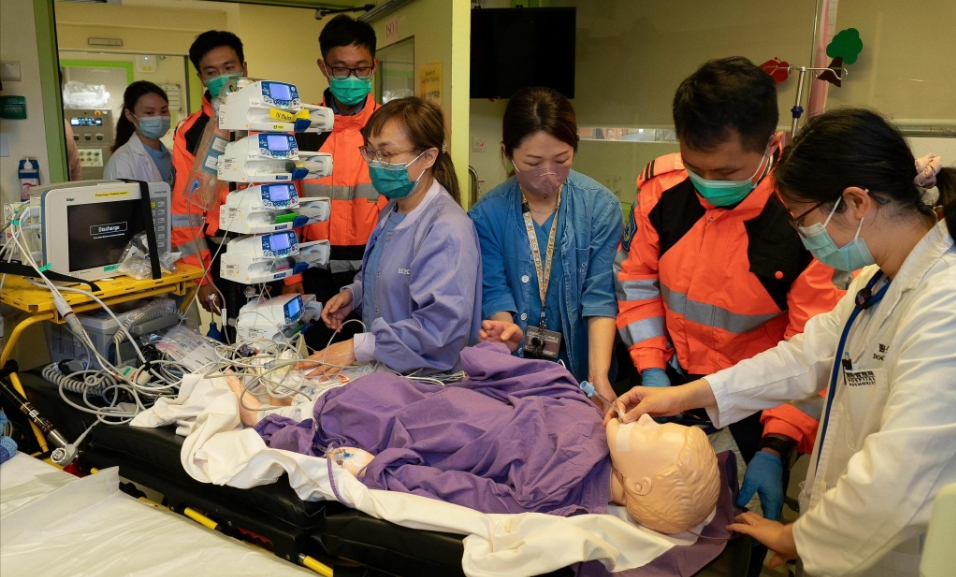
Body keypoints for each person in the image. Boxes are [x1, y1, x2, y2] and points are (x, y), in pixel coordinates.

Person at [610, 108, 956, 577]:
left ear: (855, 202)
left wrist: (798, 538)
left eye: (800, 219)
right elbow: (804, 357)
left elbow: (900, 473)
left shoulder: (944, 305)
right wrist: (682, 396)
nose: (800, 234)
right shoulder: (875, 282)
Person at [615, 57, 845, 526]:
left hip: (757, 410)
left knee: (734, 530)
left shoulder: (806, 220)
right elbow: (636, 283)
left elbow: (813, 351)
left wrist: (776, 445)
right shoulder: (663, 190)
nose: (708, 184)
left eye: (725, 172)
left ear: (771, 146)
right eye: (695, 167)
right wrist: (652, 369)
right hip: (667, 385)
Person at [232, 342, 721, 536]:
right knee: (370, 393)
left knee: (342, 421)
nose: (648, 419)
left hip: (417, 432)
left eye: (658, 433)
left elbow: (459, 493)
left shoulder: (554, 496)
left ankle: (263, 418)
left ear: (638, 486)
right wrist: (500, 350)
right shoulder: (593, 418)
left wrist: (375, 470)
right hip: (430, 397)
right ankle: (290, 402)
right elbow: (515, 374)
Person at [299, 97, 481, 376]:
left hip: (428, 381)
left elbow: (441, 329)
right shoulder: (392, 210)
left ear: (428, 157)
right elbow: (385, 274)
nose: (375, 163)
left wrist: (358, 347)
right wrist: (355, 294)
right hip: (389, 373)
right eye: (371, 152)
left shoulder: (447, 229)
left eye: (387, 153)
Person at [469, 87, 621, 405]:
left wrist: (598, 378)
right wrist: (505, 333)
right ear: (507, 153)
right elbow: (495, 291)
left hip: (582, 366)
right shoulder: (487, 214)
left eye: (561, 160)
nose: (549, 173)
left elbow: (600, 298)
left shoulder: (600, 207)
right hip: (517, 369)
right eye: (534, 162)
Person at [282, 15, 386, 353]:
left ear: (374, 66)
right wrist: (291, 276)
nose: (351, 78)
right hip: (315, 271)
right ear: (324, 67)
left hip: (377, 271)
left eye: (361, 68)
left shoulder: (391, 128)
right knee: (321, 366)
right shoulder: (301, 129)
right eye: (341, 69)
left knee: (378, 362)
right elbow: (285, 207)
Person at [170, 30, 247, 320]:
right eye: (212, 72)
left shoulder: (270, 121)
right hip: (219, 254)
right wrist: (200, 275)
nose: (223, 77)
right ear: (201, 78)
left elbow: (292, 191)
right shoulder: (190, 133)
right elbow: (184, 211)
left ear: (244, 68)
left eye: (229, 67)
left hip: (271, 249)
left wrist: (293, 276)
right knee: (232, 335)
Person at [104, 81, 171, 185]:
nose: (159, 118)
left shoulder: (171, 155)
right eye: (149, 112)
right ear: (130, 115)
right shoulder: (121, 162)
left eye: (164, 111)